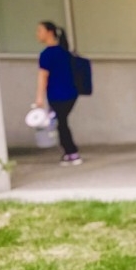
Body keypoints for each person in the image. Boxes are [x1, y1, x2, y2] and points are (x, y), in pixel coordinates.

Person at [35, 20, 82, 166]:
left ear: (49, 32)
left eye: (40, 31)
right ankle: (70, 152)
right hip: (71, 94)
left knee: (61, 123)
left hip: (57, 95)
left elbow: (43, 77)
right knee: (61, 122)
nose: (37, 34)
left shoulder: (47, 54)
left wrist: (39, 98)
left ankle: (72, 152)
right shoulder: (65, 52)